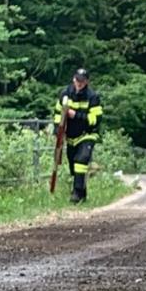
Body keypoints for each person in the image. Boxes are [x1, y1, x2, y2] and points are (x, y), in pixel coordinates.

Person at [54, 68, 103, 203]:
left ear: (86, 82)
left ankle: (76, 193)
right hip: (71, 137)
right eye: (77, 80)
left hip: (87, 134)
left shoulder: (92, 97)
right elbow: (57, 114)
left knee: (81, 159)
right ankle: (82, 193)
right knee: (74, 167)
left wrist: (76, 115)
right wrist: (58, 131)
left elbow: (96, 119)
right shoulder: (65, 94)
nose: (79, 83)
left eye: (82, 81)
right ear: (73, 79)